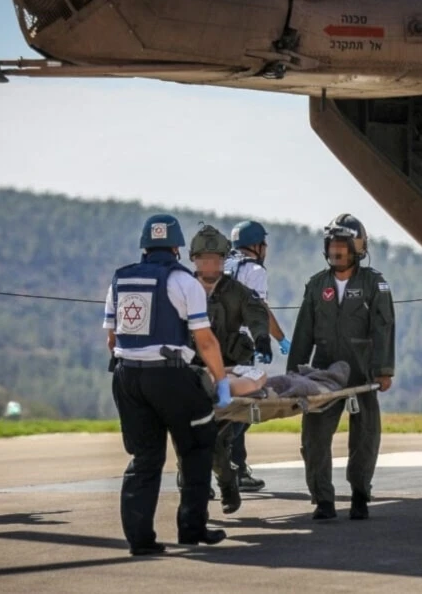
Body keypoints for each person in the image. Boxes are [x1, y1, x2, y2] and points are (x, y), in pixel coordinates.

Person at [104, 214, 230, 554]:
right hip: (169, 375)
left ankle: (140, 540)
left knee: (144, 457)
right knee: (196, 446)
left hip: (127, 376)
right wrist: (222, 382)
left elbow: (112, 337)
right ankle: (192, 529)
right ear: (177, 247)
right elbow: (205, 341)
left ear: (144, 246)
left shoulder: (120, 279)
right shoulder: (183, 281)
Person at [287, 214, 396, 521]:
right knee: (315, 437)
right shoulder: (316, 285)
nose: (336, 252)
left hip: (362, 372)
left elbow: (383, 327)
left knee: (365, 436)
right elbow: (303, 332)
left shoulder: (375, 284)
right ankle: (323, 499)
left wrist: (383, 369)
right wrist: (294, 373)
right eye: (332, 245)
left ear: (357, 248)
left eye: (342, 246)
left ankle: (360, 494)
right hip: (323, 374)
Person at [187, 224, 270, 514]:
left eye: (215, 259)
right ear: (193, 259)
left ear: (224, 259)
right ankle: (202, 490)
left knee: (218, 433)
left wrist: (262, 338)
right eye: (203, 259)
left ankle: (226, 484)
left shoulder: (237, 291)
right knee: (188, 435)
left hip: (230, 371)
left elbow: (256, 311)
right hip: (192, 370)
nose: (210, 264)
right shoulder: (182, 287)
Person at [224, 220, 287, 492]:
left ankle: (228, 466)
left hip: (210, 345)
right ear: (258, 246)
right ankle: (231, 468)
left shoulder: (219, 265)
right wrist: (281, 338)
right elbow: (258, 310)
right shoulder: (254, 271)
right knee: (243, 408)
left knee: (217, 407)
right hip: (240, 347)